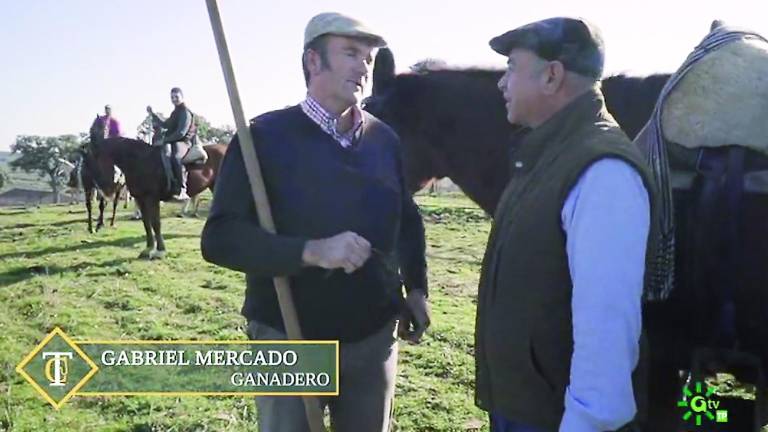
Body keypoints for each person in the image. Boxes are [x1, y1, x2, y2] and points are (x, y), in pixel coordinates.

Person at [200, 12, 430, 432]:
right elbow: (220, 238)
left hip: (372, 336)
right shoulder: (263, 138)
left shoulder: (385, 140)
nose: (364, 66)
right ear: (313, 61)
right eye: (350, 53)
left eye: (369, 57)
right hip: (291, 335)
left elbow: (407, 218)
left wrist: (416, 286)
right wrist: (310, 252)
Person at [474, 17, 660, 432]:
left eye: (512, 68)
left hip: (558, 420)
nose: (502, 84)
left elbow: (607, 328)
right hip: (525, 409)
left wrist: (586, 422)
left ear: (552, 76)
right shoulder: (546, 155)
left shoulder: (603, 171)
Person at [147, 87, 196, 200]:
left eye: (176, 97)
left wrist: (165, 140)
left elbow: (181, 133)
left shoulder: (185, 112)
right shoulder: (175, 112)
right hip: (173, 141)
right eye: (172, 97)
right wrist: (152, 114)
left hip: (183, 142)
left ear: (182, 97)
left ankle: (182, 189)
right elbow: (165, 125)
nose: (174, 99)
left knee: (176, 157)